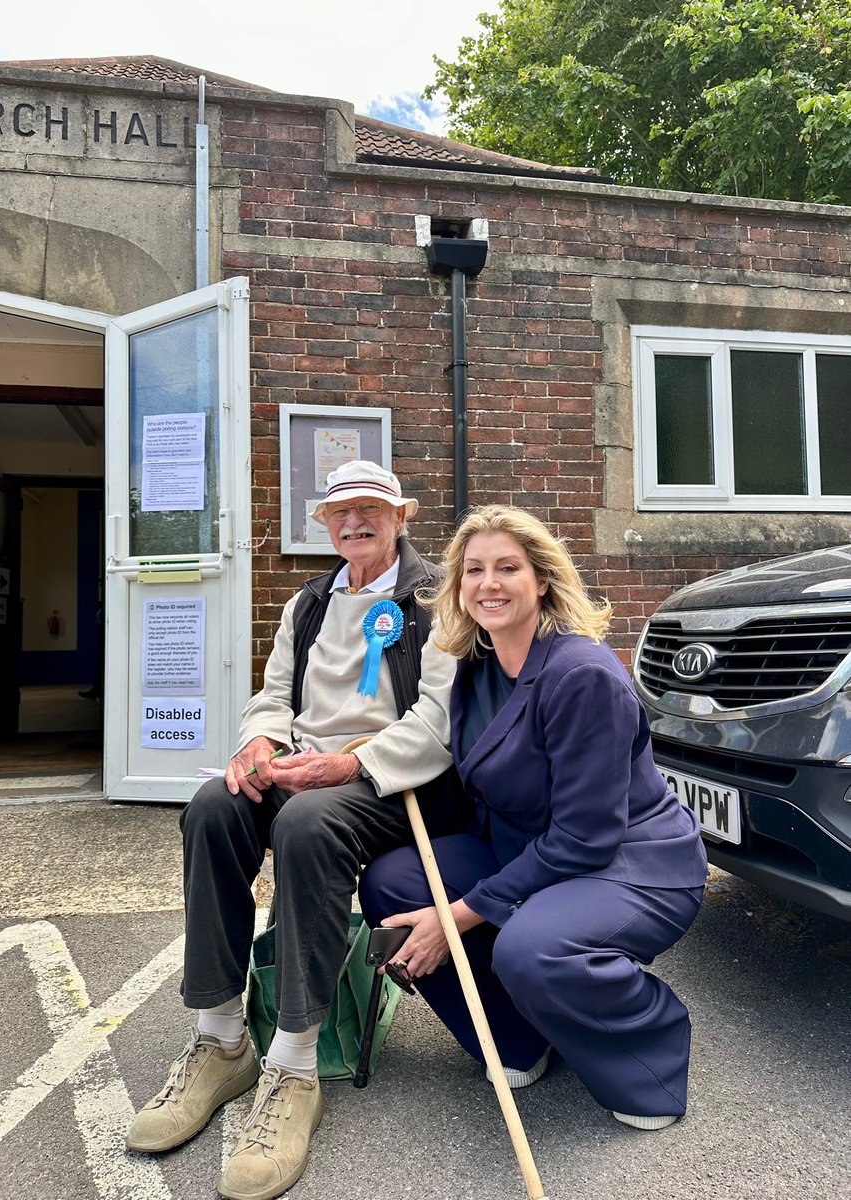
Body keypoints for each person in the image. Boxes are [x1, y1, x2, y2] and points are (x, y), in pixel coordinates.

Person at [126, 460, 459, 1200]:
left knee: (307, 823)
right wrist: (257, 743)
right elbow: (273, 696)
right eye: (340, 514)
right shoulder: (308, 603)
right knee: (214, 804)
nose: (354, 523)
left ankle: (295, 1066)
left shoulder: (436, 598)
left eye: (371, 510)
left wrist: (350, 763)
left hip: (386, 782)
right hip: (304, 770)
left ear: (400, 517)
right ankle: (221, 1041)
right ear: (326, 525)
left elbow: (437, 719)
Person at [360, 504, 708, 1127]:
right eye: (473, 570)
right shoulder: (476, 666)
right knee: (393, 883)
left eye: (507, 568)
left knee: (530, 949)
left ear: (542, 580)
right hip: (530, 851)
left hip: (630, 862)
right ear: (458, 586)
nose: (487, 583)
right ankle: (517, 1039)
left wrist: (459, 915)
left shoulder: (582, 675)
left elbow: (585, 836)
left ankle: (649, 1054)